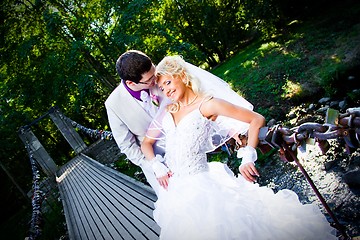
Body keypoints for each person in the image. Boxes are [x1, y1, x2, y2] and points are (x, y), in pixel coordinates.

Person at [141, 55, 337, 240]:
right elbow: (146, 144)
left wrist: (248, 155)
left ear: (182, 75)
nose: (166, 91)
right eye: (161, 87)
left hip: (201, 187)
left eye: (168, 82)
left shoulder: (208, 105)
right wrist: (157, 166)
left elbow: (256, 119)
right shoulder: (169, 110)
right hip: (175, 190)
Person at [105, 50, 255, 196]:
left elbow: (198, 106)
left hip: (190, 158)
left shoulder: (163, 78)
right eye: (149, 80)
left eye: (154, 71)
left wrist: (231, 130)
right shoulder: (114, 104)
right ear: (131, 82)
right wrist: (155, 166)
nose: (155, 82)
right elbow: (127, 145)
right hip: (159, 172)